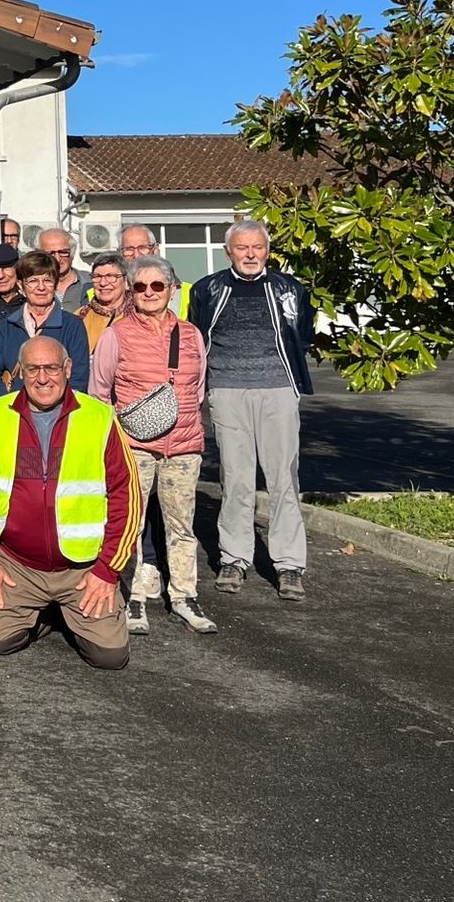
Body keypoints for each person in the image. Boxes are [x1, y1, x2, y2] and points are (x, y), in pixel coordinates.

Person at [0, 335, 139, 669]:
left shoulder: (99, 417)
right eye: (33, 369)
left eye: (52, 368)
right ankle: (50, 612)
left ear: (67, 369)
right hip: (17, 565)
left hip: (82, 567)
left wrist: (107, 571)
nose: (43, 378)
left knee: (110, 657)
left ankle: (66, 611)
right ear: (20, 372)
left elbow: (126, 496)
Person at [189, 221, 315, 602]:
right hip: (228, 390)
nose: (250, 254)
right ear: (228, 252)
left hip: (278, 390)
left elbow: (302, 336)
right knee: (235, 477)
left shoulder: (290, 290)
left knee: (283, 478)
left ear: (267, 251)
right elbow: (197, 337)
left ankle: (289, 564)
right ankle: (234, 557)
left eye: (257, 247)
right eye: (242, 247)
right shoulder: (207, 289)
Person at [89, 257, 214, 635]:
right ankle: (134, 597)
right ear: (131, 290)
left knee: (182, 525)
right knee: (130, 522)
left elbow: (198, 389)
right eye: (140, 286)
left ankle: (185, 595)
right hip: (134, 445)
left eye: (157, 285)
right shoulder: (117, 335)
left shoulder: (192, 335)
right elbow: (99, 393)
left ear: (172, 289)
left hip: (184, 445)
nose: (149, 293)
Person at [0, 252, 91, 399]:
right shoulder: (7, 325)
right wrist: (6, 402)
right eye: (33, 281)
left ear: (55, 285)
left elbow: (79, 377)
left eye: (47, 280)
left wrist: (58, 406)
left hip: (59, 408)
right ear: (21, 286)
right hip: (14, 406)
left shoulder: (72, 325)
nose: (41, 287)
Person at [119, 225, 193, 315]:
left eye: (142, 248)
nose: (136, 255)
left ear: (155, 250)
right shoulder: (108, 291)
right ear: (119, 253)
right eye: (128, 249)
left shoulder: (189, 292)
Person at [76, 252, 131, 354]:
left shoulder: (137, 316)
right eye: (97, 276)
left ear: (126, 282)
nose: (103, 283)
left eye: (111, 276)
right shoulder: (79, 317)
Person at [37, 229, 89, 308]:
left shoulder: (92, 282)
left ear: (72, 253)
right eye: (50, 253)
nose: (57, 259)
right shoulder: (32, 286)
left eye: (63, 252)